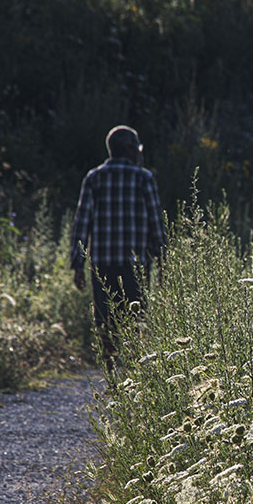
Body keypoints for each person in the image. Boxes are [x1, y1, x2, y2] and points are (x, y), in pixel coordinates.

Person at [70, 125, 165, 372]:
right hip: (136, 266)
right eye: (137, 149)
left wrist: (78, 264)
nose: (139, 153)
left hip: (102, 264)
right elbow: (156, 222)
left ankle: (111, 374)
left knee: (105, 320)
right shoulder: (144, 178)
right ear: (128, 149)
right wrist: (162, 260)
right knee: (135, 319)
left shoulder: (94, 178)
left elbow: (82, 223)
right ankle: (133, 376)